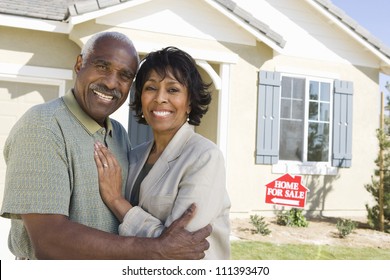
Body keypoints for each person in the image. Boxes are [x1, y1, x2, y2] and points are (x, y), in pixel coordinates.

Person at [0, 32, 211, 260]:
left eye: (125, 75)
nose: (111, 82)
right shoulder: (43, 126)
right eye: (102, 66)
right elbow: (49, 241)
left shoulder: (119, 134)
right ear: (80, 64)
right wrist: (156, 249)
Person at [94, 46, 231, 259]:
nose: (160, 98)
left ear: (190, 102)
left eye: (173, 90)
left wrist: (117, 201)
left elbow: (180, 248)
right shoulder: (134, 155)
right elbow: (162, 242)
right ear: (141, 98)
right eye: (151, 88)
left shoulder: (204, 157)